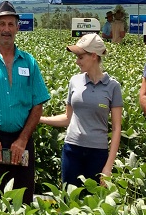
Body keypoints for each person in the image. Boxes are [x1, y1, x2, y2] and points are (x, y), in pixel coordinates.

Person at [0, 1, 50, 203]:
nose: (6, 29)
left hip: (23, 142)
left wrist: (22, 140)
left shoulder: (29, 62)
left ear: (18, 27)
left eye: (11, 24)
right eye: (2, 24)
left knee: (23, 202)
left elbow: (38, 104)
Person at [40, 33, 123, 186]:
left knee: (95, 204)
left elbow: (117, 129)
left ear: (93, 56)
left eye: (80, 57)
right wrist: (39, 118)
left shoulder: (113, 86)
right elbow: (67, 118)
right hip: (72, 150)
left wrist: (108, 167)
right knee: (69, 200)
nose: (77, 61)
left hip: (98, 154)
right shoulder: (75, 81)